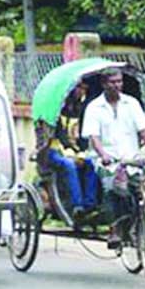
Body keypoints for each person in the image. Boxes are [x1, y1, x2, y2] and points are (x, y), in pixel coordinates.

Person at [81, 68, 145, 248]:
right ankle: (114, 229)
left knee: (138, 190)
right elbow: (94, 137)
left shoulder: (131, 103)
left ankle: (142, 229)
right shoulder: (94, 107)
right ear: (104, 84)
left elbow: (144, 130)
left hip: (131, 157)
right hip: (108, 161)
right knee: (112, 188)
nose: (117, 85)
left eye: (119, 81)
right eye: (112, 82)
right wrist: (104, 154)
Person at [47, 83, 98, 219]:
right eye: (79, 88)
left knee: (91, 163)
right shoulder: (56, 108)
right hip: (53, 149)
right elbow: (58, 134)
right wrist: (69, 151)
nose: (81, 91)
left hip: (72, 149)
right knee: (69, 165)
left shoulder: (81, 108)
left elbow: (82, 135)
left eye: (84, 89)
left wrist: (81, 151)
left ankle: (90, 205)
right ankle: (77, 206)